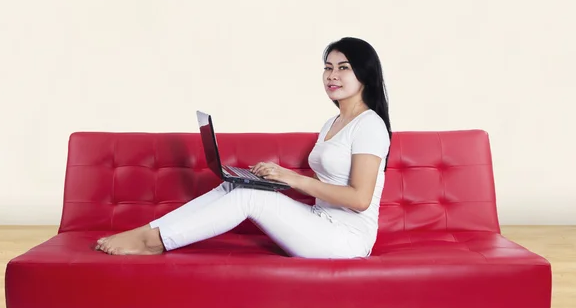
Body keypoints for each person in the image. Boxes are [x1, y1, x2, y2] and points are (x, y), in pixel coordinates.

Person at [95, 37, 392, 259]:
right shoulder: (333, 122)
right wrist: (276, 178)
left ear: (364, 75)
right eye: (327, 68)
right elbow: (329, 184)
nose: (332, 75)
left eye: (343, 68)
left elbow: (360, 198)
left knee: (251, 198)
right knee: (234, 187)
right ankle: (150, 231)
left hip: (347, 239)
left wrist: (292, 178)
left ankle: (155, 242)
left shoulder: (369, 125)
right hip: (320, 221)